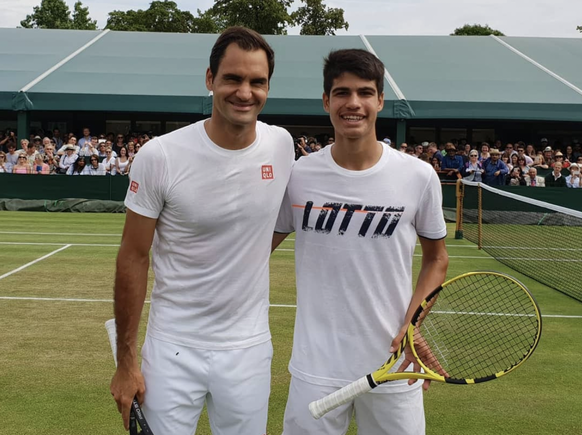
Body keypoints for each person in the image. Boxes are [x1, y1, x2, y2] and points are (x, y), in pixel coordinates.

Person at [110, 26, 294, 435]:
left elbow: (280, 220)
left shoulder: (282, 145)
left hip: (248, 349)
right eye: (232, 78)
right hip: (172, 347)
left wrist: (244, 257)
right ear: (210, 79)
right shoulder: (160, 155)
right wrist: (125, 363)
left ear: (268, 87)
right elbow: (133, 256)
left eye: (256, 82)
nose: (244, 92)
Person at [273, 49, 449, 435]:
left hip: (393, 364)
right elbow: (254, 249)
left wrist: (413, 324)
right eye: (342, 92)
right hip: (315, 365)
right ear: (326, 101)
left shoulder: (418, 176)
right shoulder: (299, 175)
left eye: (365, 92)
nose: (354, 103)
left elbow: (437, 259)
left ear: (380, 100)